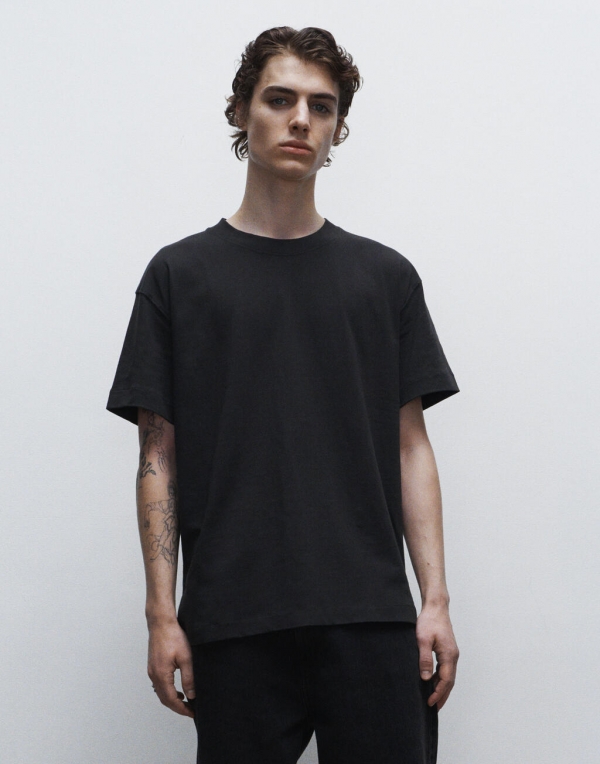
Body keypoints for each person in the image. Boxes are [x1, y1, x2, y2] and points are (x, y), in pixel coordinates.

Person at [107, 25, 460, 764]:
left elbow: (411, 447)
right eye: (280, 99)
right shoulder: (178, 277)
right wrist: (160, 614)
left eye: (321, 106)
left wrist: (435, 600)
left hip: (370, 617)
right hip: (234, 619)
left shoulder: (385, 279)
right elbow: (157, 459)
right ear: (241, 111)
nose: (301, 119)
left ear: (337, 128)